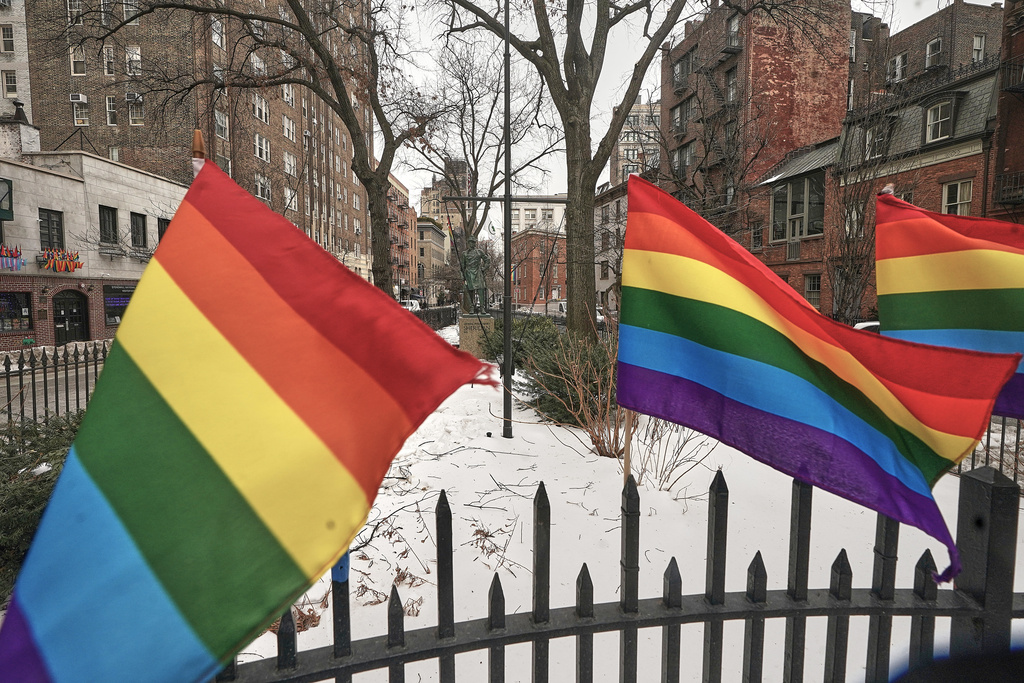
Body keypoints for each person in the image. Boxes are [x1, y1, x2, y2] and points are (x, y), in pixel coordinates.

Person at [460, 236, 489, 313]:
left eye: (473, 242)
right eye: (470, 242)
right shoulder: (464, 254)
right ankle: (471, 307)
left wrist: (483, 268)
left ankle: (482, 307)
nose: (471, 244)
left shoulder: (479, 252)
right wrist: (462, 275)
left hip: (478, 273)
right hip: (468, 274)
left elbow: (487, 260)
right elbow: (462, 266)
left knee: (481, 290)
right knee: (469, 291)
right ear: (468, 243)